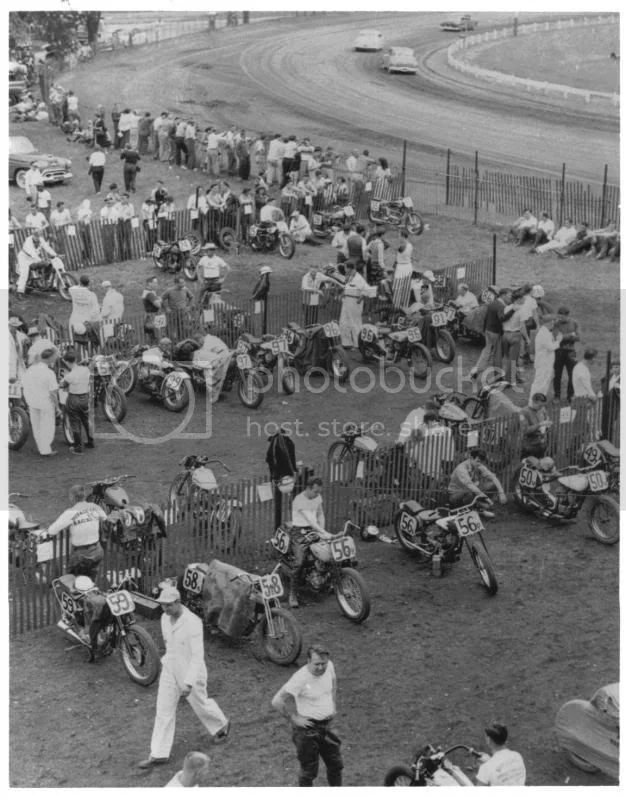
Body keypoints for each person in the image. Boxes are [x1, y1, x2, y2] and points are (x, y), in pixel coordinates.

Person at [138, 585, 230, 770]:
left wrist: (188, 682)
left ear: (178, 602)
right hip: (170, 667)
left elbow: (197, 655)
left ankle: (221, 724)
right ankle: (158, 753)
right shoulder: (165, 618)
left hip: (191, 670)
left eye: (169, 605)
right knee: (163, 709)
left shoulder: (193, 622)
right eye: (163, 605)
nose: (165, 609)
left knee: (200, 703)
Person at [271, 643, 343, 787]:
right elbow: (277, 701)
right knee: (309, 771)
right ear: (308, 661)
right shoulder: (300, 678)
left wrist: (332, 704)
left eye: (324, 663)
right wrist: (293, 719)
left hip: (327, 726)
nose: (321, 667)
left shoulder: (329, 667)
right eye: (317, 664)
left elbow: (333, 682)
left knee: (336, 765)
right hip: (308, 731)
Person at [47, 484, 107, 580]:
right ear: (84, 495)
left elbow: (51, 531)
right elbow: (104, 517)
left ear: (72, 498)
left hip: (81, 554)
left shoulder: (70, 512)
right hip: (97, 550)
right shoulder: (94, 507)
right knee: (90, 580)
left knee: (73, 581)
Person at [22, 347, 60, 456]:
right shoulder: (49, 373)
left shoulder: (30, 370)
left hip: (33, 401)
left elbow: (24, 384)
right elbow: (53, 393)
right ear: (50, 358)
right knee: (47, 426)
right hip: (45, 402)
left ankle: (42, 448)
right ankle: (45, 449)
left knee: (36, 425)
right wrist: (57, 408)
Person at [60, 350, 93, 454]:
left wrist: (63, 378)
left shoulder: (70, 375)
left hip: (74, 399)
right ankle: (90, 441)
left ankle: (78, 447)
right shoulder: (85, 370)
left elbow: (62, 385)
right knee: (86, 421)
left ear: (67, 362)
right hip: (85, 398)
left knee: (75, 423)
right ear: (76, 359)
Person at [338, 261, 373, 349]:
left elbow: (368, 290)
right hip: (346, 301)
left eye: (346, 268)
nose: (345, 270)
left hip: (354, 302)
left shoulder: (358, 278)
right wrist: (343, 294)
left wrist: (361, 297)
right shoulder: (349, 277)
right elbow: (347, 287)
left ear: (349, 268)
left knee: (355, 323)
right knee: (343, 322)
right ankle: (346, 343)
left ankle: (358, 344)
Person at [15, 230, 57, 298]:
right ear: (33, 235)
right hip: (24, 258)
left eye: (39, 236)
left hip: (33, 258)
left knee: (48, 265)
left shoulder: (41, 239)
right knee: (24, 273)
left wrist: (55, 255)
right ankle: (19, 292)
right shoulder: (28, 241)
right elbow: (33, 253)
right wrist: (40, 260)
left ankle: (45, 283)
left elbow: (47, 247)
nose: (37, 238)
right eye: (36, 236)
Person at [529, 315, 561, 398]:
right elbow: (551, 347)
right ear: (549, 323)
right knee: (539, 383)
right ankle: (533, 402)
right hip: (543, 363)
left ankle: (540, 400)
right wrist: (558, 340)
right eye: (552, 322)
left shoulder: (546, 332)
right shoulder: (544, 334)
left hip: (547, 362)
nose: (554, 323)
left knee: (545, 383)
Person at [553, 306, 579, 403]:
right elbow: (556, 338)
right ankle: (557, 395)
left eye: (562, 317)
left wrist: (565, 337)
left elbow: (578, 337)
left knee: (572, 374)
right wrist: (571, 335)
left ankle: (570, 395)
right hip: (558, 351)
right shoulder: (556, 324)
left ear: (567, 315)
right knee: (557, 374)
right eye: (559, 316)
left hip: (571, 351)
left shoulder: (574, 323)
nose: (560, 318)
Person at [69, 275, 101, 349]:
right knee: (87, 341)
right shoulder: (92, 295)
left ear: (79, 282)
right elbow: (96, 311)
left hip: (74, 319)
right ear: (88, 284)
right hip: (86, 321)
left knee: (74, 340)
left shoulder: (73, 291)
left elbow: (72, 287)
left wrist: (80, 285)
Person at [519, 392, 551, 458]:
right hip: (530, 445)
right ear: (533, 402)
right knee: (527, 464)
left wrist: (547, 423)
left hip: (541, 443)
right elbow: (525, 430)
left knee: (541, 464)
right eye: (540, 406)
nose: (541, 408)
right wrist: (539, 425)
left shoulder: (542, 409)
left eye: (543, 405)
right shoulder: (524, 412)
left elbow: (546, 417)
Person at [142, 276, 164, 343]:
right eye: (155, 283)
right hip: (153, 316)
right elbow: (158, 304)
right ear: (149, 283)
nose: (157, 284)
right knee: (157, 335)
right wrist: (160, 299)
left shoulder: (147, 291)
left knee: (152, 335)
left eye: (157, 283)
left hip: (149, 315)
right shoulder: (150, 294)